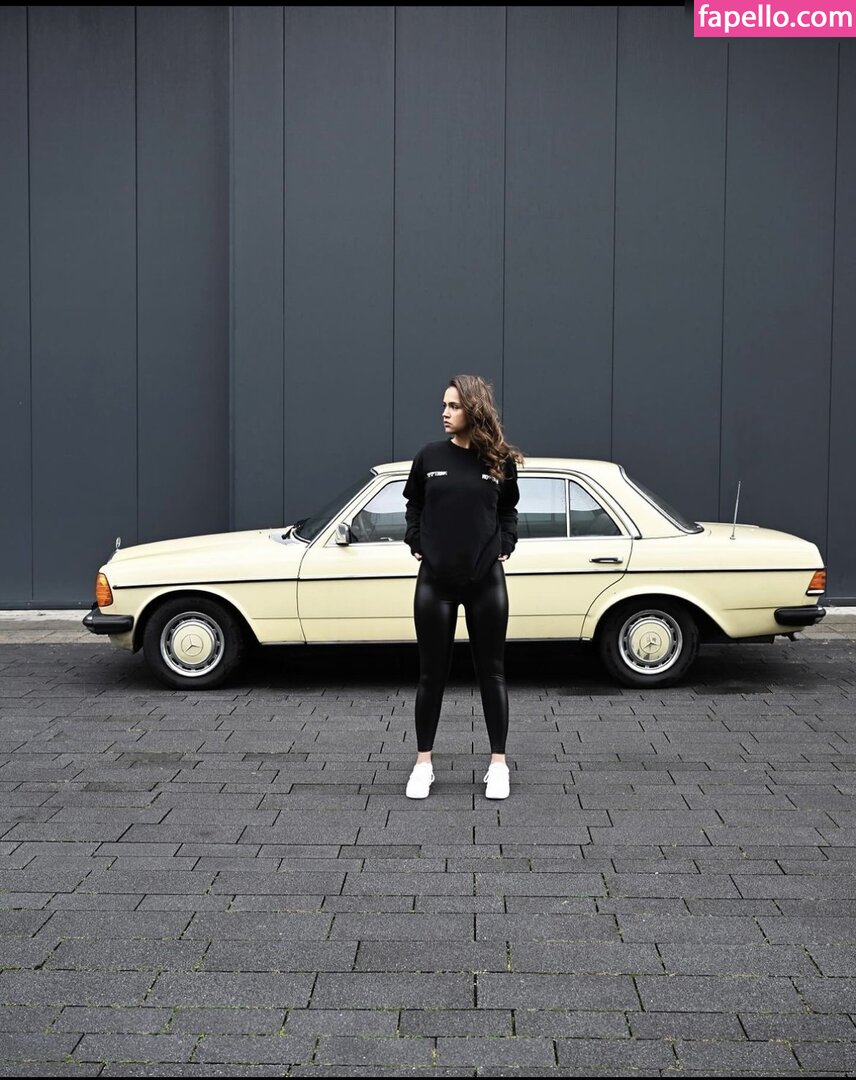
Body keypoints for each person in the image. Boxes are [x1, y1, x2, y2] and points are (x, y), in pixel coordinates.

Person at [402, 374, 524, 801]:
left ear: (474, 409)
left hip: (485, 582)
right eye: (444, 405)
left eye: (453, 406)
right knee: (430, 675)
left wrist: (506, 544)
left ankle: (498, 765)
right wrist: (415, 539)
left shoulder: (498, 461)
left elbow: (508, 511)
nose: (445, 413)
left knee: (492, 672)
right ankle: (423, 764)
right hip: (435, 582)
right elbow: (414, 505)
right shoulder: (428, 457)